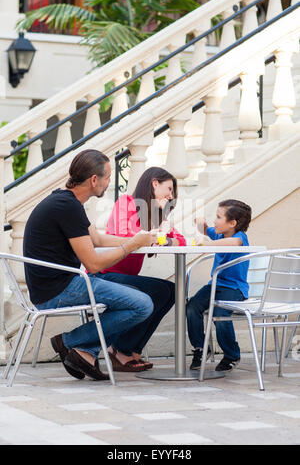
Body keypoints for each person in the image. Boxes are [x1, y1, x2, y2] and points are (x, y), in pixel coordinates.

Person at [23, 149, 158, 381]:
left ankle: (86, 351)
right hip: (58, 290)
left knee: (135, 296)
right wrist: (132, 245)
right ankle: (69, 342)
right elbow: (93, 263)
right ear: (94, 180)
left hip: (57, 284)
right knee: (143, 304)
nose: (108, 182)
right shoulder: (68, 207)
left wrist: (138, 239)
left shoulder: (65, 200)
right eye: (107, 177)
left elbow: (97, 240)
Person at [93, 167, 186, 371]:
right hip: (106, 275)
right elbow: (126, 234)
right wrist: (158, 233)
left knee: (172, 291)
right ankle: (120, 350)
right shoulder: (126, 202)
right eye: (168, 189)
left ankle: (131, 349)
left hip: (125, 277)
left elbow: (181, 240)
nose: (170, 196)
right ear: (154, 183)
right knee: (160, 291)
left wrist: (163, 237)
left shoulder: (158, 215)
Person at [186, 199, 252, 372]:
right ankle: (201, 348)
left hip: (234, 289)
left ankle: (231, 354)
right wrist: (200, 223)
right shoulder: (220, 235)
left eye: (218, 217)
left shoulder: (239, 238)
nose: (214, 221)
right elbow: (206, 230)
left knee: (220, 313)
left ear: (232, 223)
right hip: (215, 285)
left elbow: (233, 244)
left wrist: (207, 243)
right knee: (192, 307)